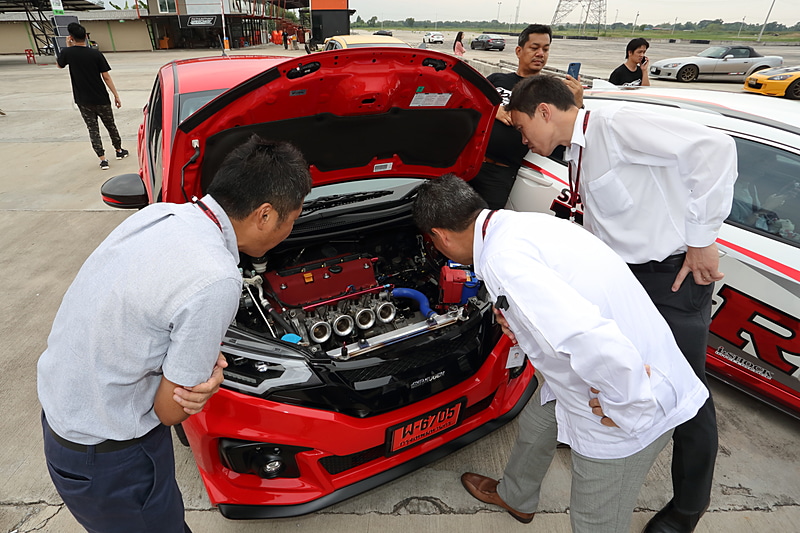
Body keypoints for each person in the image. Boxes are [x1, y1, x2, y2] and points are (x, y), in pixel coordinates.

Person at [37, 136, 312, 533]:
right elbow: (170, 411)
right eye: (293, 218)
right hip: (114, 459)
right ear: (265, 215)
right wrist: (209, 381)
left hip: (66, 421)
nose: (292, 228)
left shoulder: (161, 215)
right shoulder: (216, 278)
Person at [506, 75, 737, 533]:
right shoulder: (577, 153)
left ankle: (686, 510)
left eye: (520, 127)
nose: (523, 139)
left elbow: (714, 148)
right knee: (592, 370)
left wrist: (702, 239)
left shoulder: (617, 125)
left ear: (545, 112)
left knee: (687, 398)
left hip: (670, 278)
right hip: (625, 281)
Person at [413, 175, 707, 532]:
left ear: (440, 236)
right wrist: (520, 325)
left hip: (631, 398)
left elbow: (587, 335)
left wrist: (624, 404)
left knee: (593, 520)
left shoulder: (503, 260)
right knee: (537, 422)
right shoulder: (520, 223)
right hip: (615, 369)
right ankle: (516, 496)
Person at [468, 23, 583, 210]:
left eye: (546, 49)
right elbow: (466, 105)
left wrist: (577, 103)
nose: (541, 54)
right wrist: (491, 110)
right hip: (468, 162)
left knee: (481, 228)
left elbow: (567, 133)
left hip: (498, 175)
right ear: (519, 51)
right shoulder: (497, 80)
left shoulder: (549, 91)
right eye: (534, 48)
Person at [57, 22, 129, 170]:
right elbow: (106, 77)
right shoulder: (96, 54)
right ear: (86, 37)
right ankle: (119, 150)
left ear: (71, 37)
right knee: (110, 125)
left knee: (93, 129)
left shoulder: (67, 53)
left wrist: (68, 47)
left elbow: (60, 65)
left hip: (83, 100)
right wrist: (116, 95)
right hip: (101, 97)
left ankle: (103, 159)